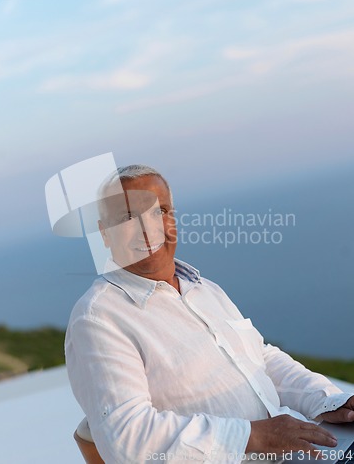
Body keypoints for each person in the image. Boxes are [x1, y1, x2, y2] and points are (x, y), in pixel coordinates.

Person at [65, 164, 354, 464]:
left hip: (303, 452)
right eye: (127, 217)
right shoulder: (98, 319)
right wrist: (254, 437)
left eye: (159, 211)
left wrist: (330, 402)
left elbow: (260, 359)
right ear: (105, 233)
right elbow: (129, 439)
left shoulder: (203, 288)